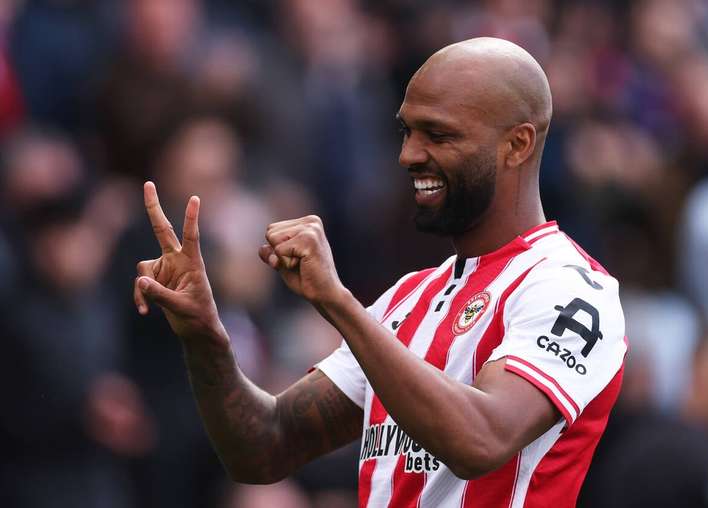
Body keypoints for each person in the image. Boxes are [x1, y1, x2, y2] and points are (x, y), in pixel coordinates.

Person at [133, 37, 627, 507]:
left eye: (437, 134)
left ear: (517, 145)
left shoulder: (569, 287)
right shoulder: (407, 300)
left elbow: (483, 439)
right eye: (406, 131)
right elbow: (265, 445)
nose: (409, 155)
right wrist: (205, 335)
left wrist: (338, 303)